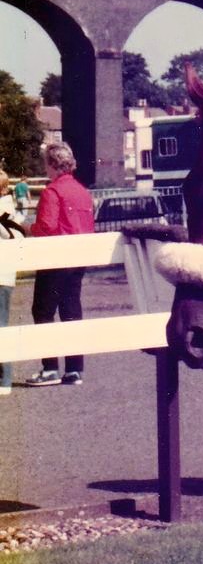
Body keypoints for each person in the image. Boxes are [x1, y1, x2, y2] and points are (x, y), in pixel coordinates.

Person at [26, 142, 95, 388]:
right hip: (78, 260)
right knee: (71, 311)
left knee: (43, 311)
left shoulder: (51, 191)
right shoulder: (82, 191)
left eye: (46, 163)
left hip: (55, 259)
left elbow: (46, 226)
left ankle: (50, 367)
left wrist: (28, 228)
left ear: (53, 165)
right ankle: (75, 369)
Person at [0, 169, 26, 397]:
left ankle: (5, 377)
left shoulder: (5, 210)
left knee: (1, 327)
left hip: (1, 277)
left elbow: (12, 235)